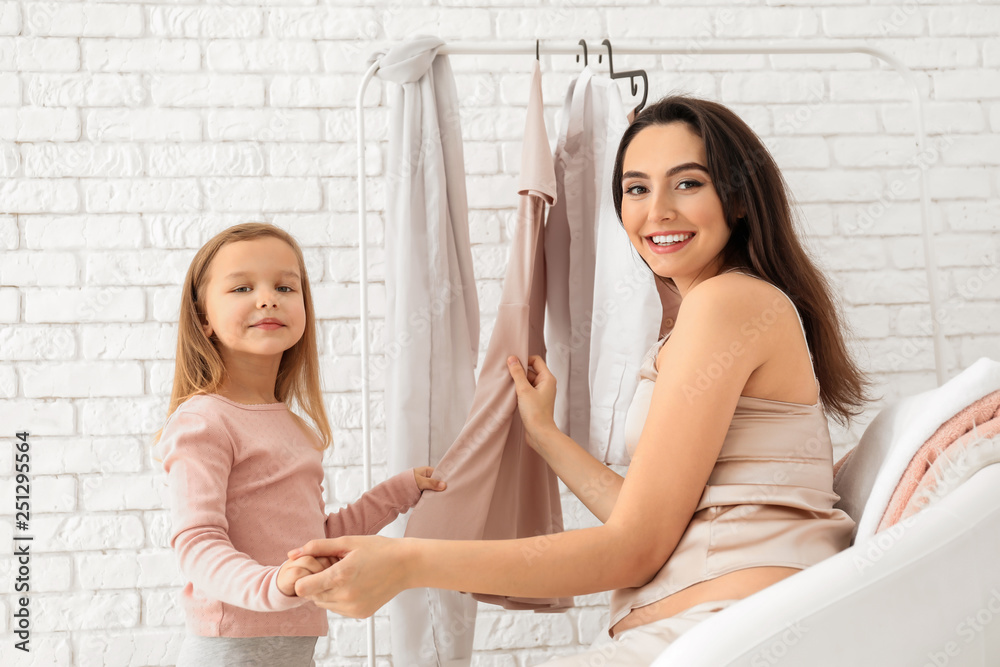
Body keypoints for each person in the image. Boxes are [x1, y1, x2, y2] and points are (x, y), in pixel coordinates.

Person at [287, 95, 877, 664]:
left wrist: (406, 563)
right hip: (714, 626)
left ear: (740, 199)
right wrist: (545, 434)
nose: (657, 210)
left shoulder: (727, 304)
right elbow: (645, 519)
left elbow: (634, 549)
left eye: (688, 183)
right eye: (636, 189)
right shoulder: (721, 308)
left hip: (729, 629)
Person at [150, 223, 447, 667]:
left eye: (285, 286)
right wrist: (274, 584)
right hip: (228, 653)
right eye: (243, 287)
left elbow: (316, 542)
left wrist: (399, 491)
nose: (267, 297)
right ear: (203, 318)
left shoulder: (293, 426)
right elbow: (197, 541)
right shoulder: (203, 422)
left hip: (297, 650)